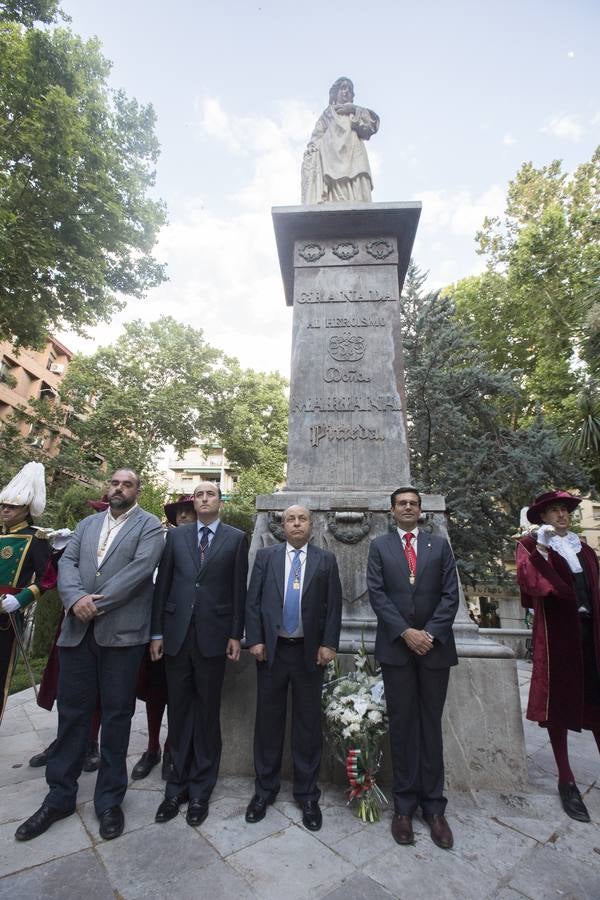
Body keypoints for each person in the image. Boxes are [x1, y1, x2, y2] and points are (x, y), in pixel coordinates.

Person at [15, 468, 164, 842]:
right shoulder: (87, 525)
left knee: (116, 717)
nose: (118, 488)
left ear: (137, 490)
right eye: (114, 483)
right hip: (77, 635)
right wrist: (74, 598)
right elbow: (66, 564)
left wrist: (93, 603)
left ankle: (109, 801)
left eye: (127, 484)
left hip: (122, 637)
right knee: (72, 715)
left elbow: (140, 571)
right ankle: (59, 797)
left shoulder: (149, 526)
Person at [150, 482, 248, 827]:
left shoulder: (236, 539)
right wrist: (157, 632)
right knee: (178, 714)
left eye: (211, 495)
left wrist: (235, 634)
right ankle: (175, 788)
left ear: (220, 502)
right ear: (194, 502)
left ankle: (201, 790)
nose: (205, 499)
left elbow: (239, 590)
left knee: (207, 715)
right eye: (200, 495)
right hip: (176, 636)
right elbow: (163, 586)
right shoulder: (176, 537)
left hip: (214, 637)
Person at [367, 487, 459, 849]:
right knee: (403, 727)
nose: (408, 507)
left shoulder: (440, 546)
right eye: (401, 503)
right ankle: (403, 807)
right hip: (397, 649)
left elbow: (451, 594)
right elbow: (377, 594)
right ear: (392, 510)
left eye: (413, 503)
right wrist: (406, 632)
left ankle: (434, 808)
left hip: (435, 650)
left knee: (430, 727)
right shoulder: (380, 546)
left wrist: (429, 634)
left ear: (420, 510)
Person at [244, 505, 342, 832]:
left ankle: (307, 794)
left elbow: (333, 606)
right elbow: (253, 601)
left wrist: (329, 644)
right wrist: (255, 640)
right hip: (272, 653)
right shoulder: (266, 557)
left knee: (308, 725)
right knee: (268, 723)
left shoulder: (325, 560)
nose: (296, 523)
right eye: (290, 519)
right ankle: (264, 791)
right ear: (282, 526)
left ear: (311, 525)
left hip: (308, 654)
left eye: (302, 519)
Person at [516, 490, 600, 823]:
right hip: (557, 636)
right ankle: (566, 779)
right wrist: (541, 550)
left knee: (596, 701)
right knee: (558, 707)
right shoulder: (532, 548)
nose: (562, 515)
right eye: (554, 511)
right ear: (543, 516)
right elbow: (532, 584)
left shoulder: (586, 551)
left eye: (565, 510)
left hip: (591, 633)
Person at [131, 494, 196, 782]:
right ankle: (152, 747)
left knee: (180, 695)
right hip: (157, 627)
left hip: (189, 631)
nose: (183, 516)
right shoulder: (160, 541)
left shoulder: (204, 543)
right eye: (179, 512)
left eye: (189, 511)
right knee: (155, 692)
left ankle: (173, 748)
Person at [0, 463, 51, 724]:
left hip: (6, 617)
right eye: (3, 505)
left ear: (26, 509)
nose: (5, 510)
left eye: (12, 506)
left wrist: (20, 600)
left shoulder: (36, 538)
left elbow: (47, 579)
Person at [301, 76, 379, 204]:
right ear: (335, 93)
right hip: (331, 157)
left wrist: (353, 109)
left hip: (354, 151)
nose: (346, 91)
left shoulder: (355, 112)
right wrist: (312, 147)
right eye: (343, 88)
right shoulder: (328, 113)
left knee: (359, 175)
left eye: (350, 89)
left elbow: (372, 125)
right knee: (335, 185)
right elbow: (317, 135)